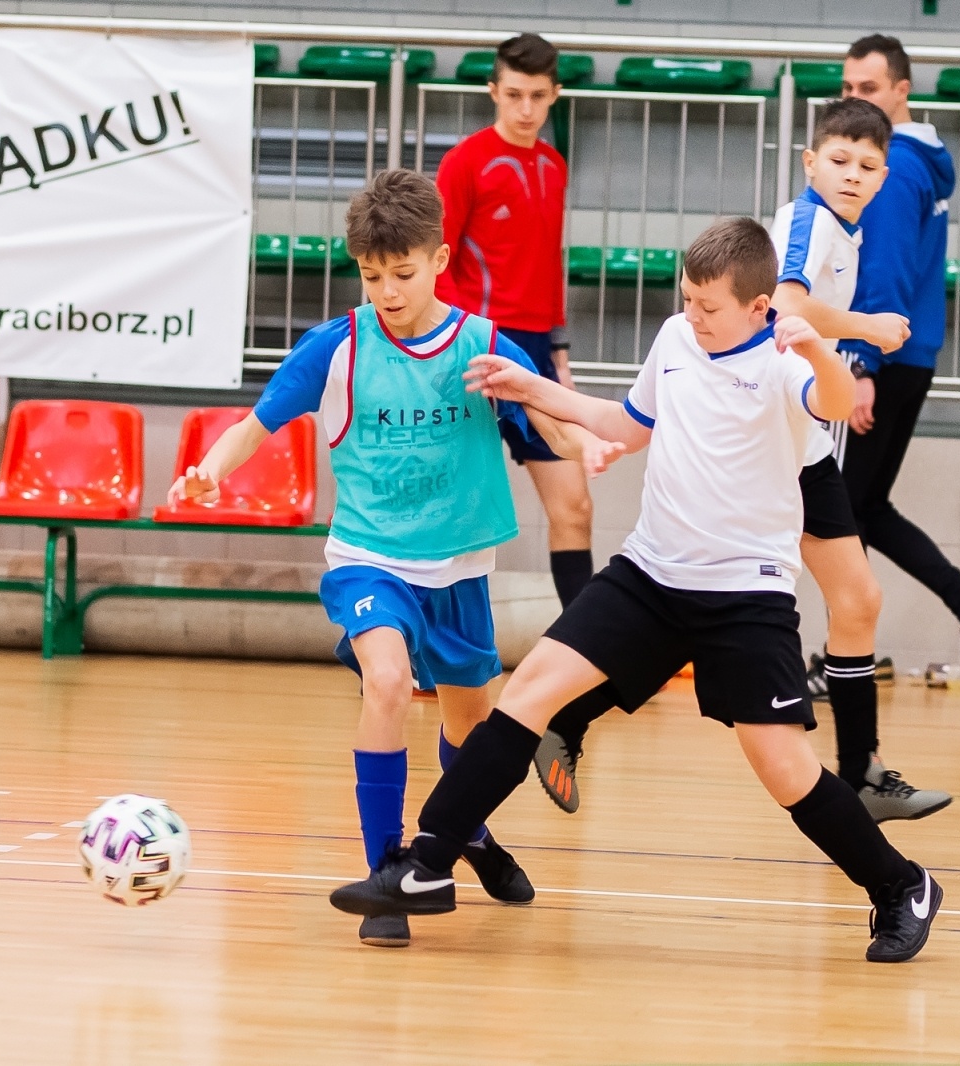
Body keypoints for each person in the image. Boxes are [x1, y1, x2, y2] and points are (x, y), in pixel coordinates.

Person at [328, 218, 945, 964]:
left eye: (708, 306)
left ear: (757, 308)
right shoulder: (677, 340)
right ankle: (425, 863)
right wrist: (534, 388)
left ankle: (901, 885)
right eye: (686, 298)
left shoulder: (783, 365)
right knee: (527, 696)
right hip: (650, 574)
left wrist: (814, 344)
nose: (692, 314)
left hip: (744, 597)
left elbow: (838, 402)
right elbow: (627, 422)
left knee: (784, 770)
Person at [170, 169, 622, 947]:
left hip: (460, 570)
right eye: (372, 275)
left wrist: (589, 441)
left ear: (440, 259)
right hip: (369, 558)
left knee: (472, 733)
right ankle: (387, 878)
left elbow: (549, 416)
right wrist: (211, 469)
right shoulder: (337, 348)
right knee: (385, 682)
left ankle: (467, 835)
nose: (386, 290)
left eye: (402, 274)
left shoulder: (482, 346)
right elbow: (257, 423)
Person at [532, 99, 952, 824]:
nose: (852, 175)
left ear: (885, 176)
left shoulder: (844, 229)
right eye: (840, 160)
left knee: (856, 600)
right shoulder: (812, 224)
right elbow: (785, 309)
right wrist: (868, 331)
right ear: (810, 161)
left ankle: (859, 770)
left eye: (868, 165)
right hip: (769, 445)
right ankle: (856, 773)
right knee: (753, 610)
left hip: (798, 437)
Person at [836, 34, 960, 698]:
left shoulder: (895, 166)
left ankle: (840, 662)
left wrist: (858, 366)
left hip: (882, 355)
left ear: (902, 91)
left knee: (835, 517)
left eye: (869, 89)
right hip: (911, 351)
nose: (853, 100)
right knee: (865, 508)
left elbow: (883, 266)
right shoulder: (922, 162)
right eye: (848, 88)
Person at [436, 32, 595, 611]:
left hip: (532, 352)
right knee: (452, 513)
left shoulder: (554, 166)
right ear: (493, 92)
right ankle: (418, 650)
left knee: (574, 507)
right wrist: (459, 343)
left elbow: (548, 265)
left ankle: (589, 653)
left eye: (537, 96)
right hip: (472, 352)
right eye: (513, 95)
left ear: (554, 94)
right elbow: (438, 263)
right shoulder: (463, 163)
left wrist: (559, 356)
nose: (525, 109)